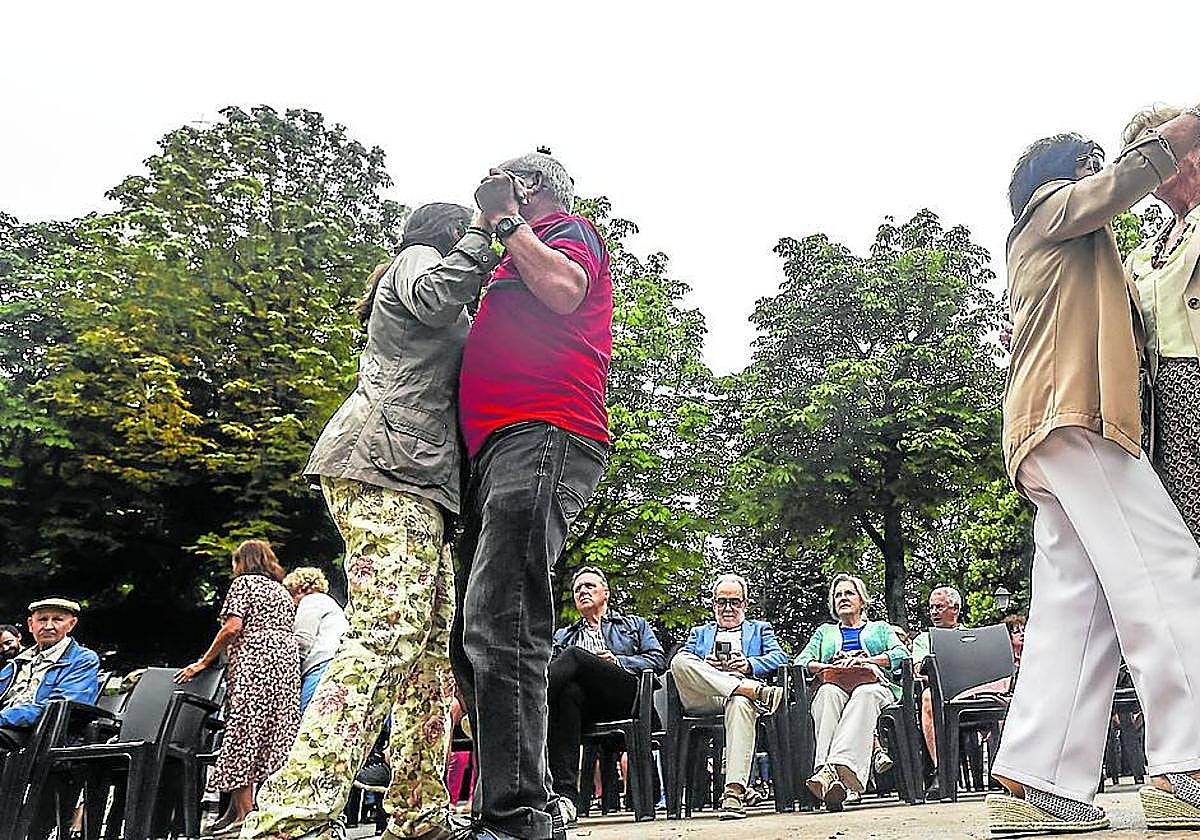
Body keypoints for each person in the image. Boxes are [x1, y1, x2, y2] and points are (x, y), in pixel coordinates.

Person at [240, 203, 498, 840]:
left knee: (431, 653)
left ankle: (418, 811)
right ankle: (290, 814)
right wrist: (484, 231)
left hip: (422, 482)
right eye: (470, 234)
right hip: (382, 462)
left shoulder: (442, 294)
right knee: (386, 633)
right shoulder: (416, 264)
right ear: (446, 237)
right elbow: (438, 296)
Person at [991, 108, 1200, 835]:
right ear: (1053, 181)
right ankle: (1188, 764)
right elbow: (1122, 183)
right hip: (1078, 417)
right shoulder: (1051, 214)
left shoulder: (1078, 254)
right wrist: (1188, 125)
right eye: (1086, 162)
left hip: (1049, 429)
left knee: (1075, 609)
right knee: (1167, 567)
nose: (1099, 171)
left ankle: (1034, 780)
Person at [450, 151, 612, 840]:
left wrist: (508, 219)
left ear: (531, 189)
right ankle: (523, 802)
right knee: (471, 634)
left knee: (505, 618)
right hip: (496, 452)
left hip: (545, 430)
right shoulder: (505, 261)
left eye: (503, 181)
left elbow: (566, 289)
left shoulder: (570, 232)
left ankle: (515, 817)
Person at [175, 540, 300, 836]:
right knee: (276, 733)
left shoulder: (244, 584)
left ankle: (245, 815)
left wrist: (204, 662)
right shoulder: (282, 591)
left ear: (241, 562)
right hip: (285, 663)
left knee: (244, 730)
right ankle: (265, 810)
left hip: (255, 660)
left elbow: (232, 627)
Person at [1121, 105, 1200, 544]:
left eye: (1158, 147)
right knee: (1177, 542)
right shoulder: (1139, 257)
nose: (1149, 163)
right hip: (1158, 412)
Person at [547, 567, 665, 821]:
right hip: (586, 708)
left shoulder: (634, 625)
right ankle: (566, 798)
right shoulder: (564, 635)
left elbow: (657, 660)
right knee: (567, 693)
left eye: (589, 586)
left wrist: (619, 661)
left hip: (625, 696)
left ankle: (529, 704)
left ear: (606, 593)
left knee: (574, 656)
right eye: (578, 589)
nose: (583, 591)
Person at [668, 573, 787, 820]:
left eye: (734, 601)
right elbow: (681, 666)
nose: (728, 608)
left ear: (745, 604)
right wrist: (705, 664)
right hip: (704, 697)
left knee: (741, 702)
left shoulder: (760, 629)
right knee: (679, 660)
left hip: (739, 698)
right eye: (722, 602)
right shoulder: (699, 633)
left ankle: (733, 792)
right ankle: (749, 689)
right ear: (713, 605)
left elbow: (780, 658)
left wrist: (749, 665)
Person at [795, 574, 908, 812]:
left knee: (863, 695)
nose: (843, 598)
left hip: (873, 685)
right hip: (836, 683)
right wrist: (826, 666)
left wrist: (867, 661)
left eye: (849, 593)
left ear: (862, 600)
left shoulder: (880, 629)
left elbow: (902, 654)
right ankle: (838, 783)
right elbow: (802, 661)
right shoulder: (824, 632)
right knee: (826, 694)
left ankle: (828, 773)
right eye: (838, 595)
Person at [0, 598, 99, 753]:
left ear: (71, 624)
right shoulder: (18, 661)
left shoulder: (82, 659)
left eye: (58, 620)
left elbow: (58, 708)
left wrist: (5, 717)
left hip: (41, 735)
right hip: (6, 730)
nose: (48, 626)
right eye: (42, 619)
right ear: (31, 624)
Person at [909, 585, 965, 800]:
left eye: (939, 607)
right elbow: (917, 671)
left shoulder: (971, 636)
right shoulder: (924, 639)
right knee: (927, 697)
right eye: (931, 607)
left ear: (955, 609)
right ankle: (942, 772)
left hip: (971, 692)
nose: (933, 612)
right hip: (940, 692)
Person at [282, 567, 349, 714]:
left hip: (320, 667)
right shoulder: (331, 604)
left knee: (306, 718)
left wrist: (284, 669)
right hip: (338, 663)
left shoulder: (310, 601)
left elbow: (303, 641)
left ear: (299, 590)